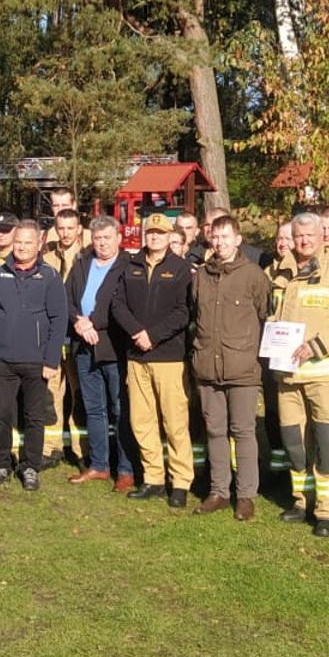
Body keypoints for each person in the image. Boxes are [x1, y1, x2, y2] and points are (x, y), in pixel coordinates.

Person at [270, 213, 329, 537]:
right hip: (288, 375)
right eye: (299, 236)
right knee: (294, 443)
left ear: (322, 235)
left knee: (328, 444)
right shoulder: (280, 271)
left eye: (311, 235)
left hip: (325, 374)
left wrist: (317, 346)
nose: (304, 241)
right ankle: (301, 500)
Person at [0, 221, 67, 490]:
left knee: (34, 417)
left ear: (39, 244)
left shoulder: (49, 276)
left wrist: (51, 359)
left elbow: (59, 319)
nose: (22, 247)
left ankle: (30, 467)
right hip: (3, 359)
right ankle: (1, 464)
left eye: (28, 242)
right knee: (0, 413)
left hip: (37, 361)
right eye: (18, 242)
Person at [111, 213, 197, 505]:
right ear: (144, 235)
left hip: (168, 357)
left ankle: (181, 482)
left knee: (174, 423)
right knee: (142, 421)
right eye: (151, 233)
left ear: (168, 235)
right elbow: (118, 303)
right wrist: (136, 331)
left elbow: (184, 312)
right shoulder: (130, 265)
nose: (155, 237)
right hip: (136, 355)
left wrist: (154, 335)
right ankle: (153, 478)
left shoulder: (181, 268)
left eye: (160, 233)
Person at [190, 215, 272, 520]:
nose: (220, 242)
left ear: (238, 240)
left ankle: (246, 495)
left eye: (226, 237)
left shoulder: (253, 276)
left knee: (243, 431)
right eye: (215, 237)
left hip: (242, 368)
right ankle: (219, 491)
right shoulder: (201, 275)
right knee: (214, 430)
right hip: (208, 367)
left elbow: (265, 316)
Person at [66, 215, 134, 488]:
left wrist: (93, 322)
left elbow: (120, 304)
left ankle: (126, 469)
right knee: (94, 408)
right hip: (83, 345)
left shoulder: (128, 265)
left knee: (119, 408)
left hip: (113, 346)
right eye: (97, 238)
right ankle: (98, 464)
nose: (102, 243)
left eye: (107, 237)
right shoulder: (82, 264)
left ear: (118, 238)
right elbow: (66, 298)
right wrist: (79, 322)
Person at [41, 208, 86, 464]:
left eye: (70, 228)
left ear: (79, 229)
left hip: (77, 335)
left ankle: (82, 449)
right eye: (61, 228)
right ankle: (51, 447)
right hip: (52, 336)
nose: (66, 233)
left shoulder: (87, 258)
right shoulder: (46, 259)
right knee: (51, 394)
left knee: (79, 394)